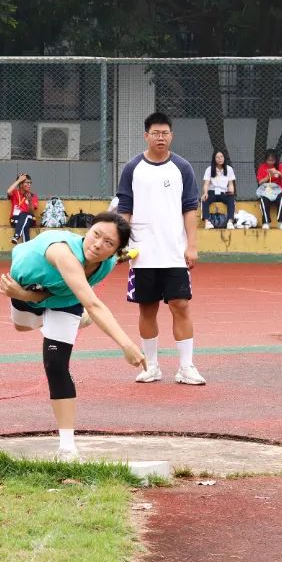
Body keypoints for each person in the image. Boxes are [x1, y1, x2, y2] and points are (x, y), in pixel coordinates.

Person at [0, 213, 146, 461]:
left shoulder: (107, 264)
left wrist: (125, 344)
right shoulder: (63, 252)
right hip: (25, 290)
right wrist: (127, 344)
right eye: (96, 234)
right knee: (22, 326)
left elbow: (91, 302)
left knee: (56, 365)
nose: (97, 244)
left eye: (108, 243)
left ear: (115, 251)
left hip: (65, 300)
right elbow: (91, 304)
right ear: (88, 230)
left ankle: (67, 448)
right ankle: (78, 319)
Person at [115, 111, 206, 386]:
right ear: (146, 136)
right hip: (142, 254)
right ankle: (151, 366)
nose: (160, 137)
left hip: (174, 253)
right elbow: (124, 209)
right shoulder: (132, 168)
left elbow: (190, 209)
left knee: (181, 305)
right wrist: (120, 244)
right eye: (155, 133)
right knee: (147, 308)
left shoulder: (182, 168)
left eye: (165, 133)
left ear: (171, 136)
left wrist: (191, 246)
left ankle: (186, 367)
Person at [201, 150, 236, 229]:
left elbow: (230, 184)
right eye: (217, 157)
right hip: (212, 192)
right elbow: (206, 184)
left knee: (231, 199)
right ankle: (207, 222)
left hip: (224, 192)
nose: (220, 159)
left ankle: (230, 222)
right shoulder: (209, 169)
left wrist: (231, 192)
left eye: (221, 156)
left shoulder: (229, 169)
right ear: (214, 159)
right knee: (204, 199)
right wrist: (205, 193)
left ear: (224, 158)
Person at [256, 149, 282, 229]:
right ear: (266, 159)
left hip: (278, 191)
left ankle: (281, 222)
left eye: (273, 160)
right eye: (269, 160)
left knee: (281, 199)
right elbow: (260, 182)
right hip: (266, 191)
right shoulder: (262, 167)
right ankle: (266, 222)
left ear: (276, 159)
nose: (270, 162)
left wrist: (278, 173)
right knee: (263, 200)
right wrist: (268, 176)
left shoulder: (279, 166)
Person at [7, 173, 39, 244]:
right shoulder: (15, 193)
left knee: (24, 215)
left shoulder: (33, 196)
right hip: (15, 219)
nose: (29, 185)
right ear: (21, 184)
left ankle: (16, 235)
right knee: (25, 225)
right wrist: (18, 180)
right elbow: (8, 191)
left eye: (30, 183)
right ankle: (26, 246)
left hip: (30, 219)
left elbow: (31, 212)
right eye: (27, 183)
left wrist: (30, 201)